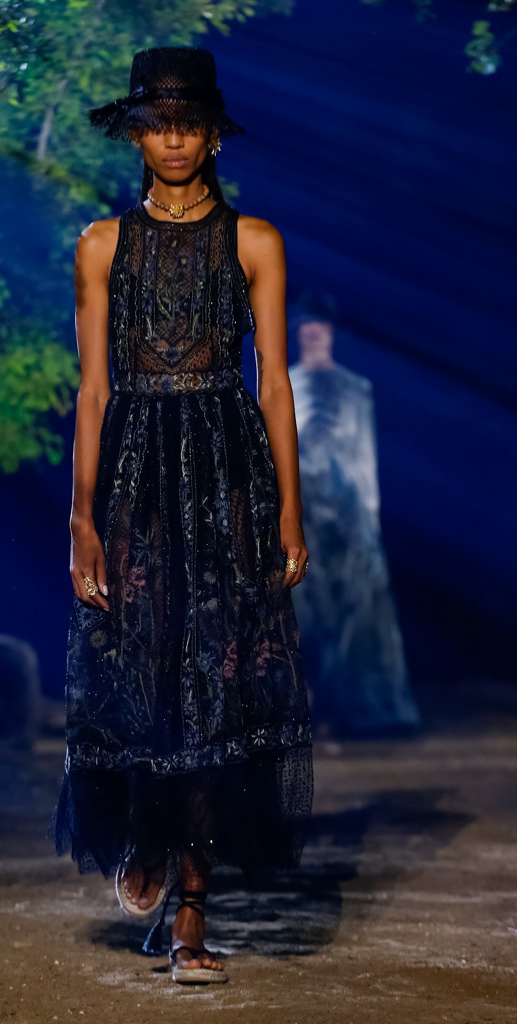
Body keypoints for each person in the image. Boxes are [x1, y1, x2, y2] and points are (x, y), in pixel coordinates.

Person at [50, 47, 313, 986]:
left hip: (226, 473)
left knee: (218, 682)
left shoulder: (255, 242)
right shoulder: (99, 246)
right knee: (136, 669)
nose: (173, 140)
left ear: (212, 136)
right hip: (133, 475)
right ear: (135, 134)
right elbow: (91, 390)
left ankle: (192, 913)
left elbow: (272, 385)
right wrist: (81, 520)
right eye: (158, 124)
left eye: (188, 124)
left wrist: (289, 510)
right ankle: (143, 833)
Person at [288, 292, 421, 739]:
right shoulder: (285, 386)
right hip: (304, 511)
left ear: (330, 333)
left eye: (319, 327)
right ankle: (305, 709)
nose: (313, 333)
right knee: (305, 609)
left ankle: (358, 708)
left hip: (348, 515)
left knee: (356, 610)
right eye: (306, 326)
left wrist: (370, 516)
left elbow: (365, 456)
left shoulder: (355, 389)